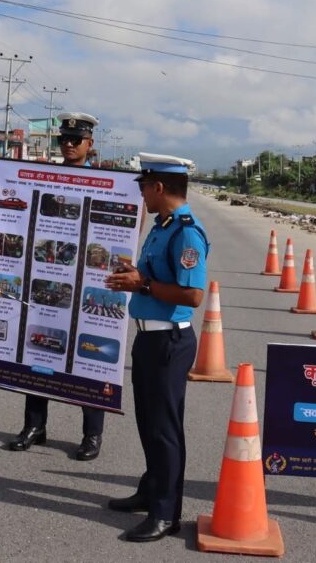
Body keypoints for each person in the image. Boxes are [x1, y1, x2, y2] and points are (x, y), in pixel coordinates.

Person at [0, 111, 107, 461]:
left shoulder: (105, 181)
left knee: (87, 359)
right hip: (46, 277)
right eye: (63, 139)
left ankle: (92, 434)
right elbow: (10, 196)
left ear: (89, 144)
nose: (68, 145)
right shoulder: (45, 176)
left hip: (83, 283)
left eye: (75, 140)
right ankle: (35, 426)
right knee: (38, 352)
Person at [103, 153, 208, 543]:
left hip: (169, 341)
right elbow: (153, 276)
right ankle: (150, 491)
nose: (142, 194)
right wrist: (137, 275)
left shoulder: (186, 233)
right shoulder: (163, 226)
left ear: (159, 187)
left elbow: (193, 295)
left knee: (165, 430)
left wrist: (142, 285)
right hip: (148, 338)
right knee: (148, 422)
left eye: (144, 187)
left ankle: (166, 514)